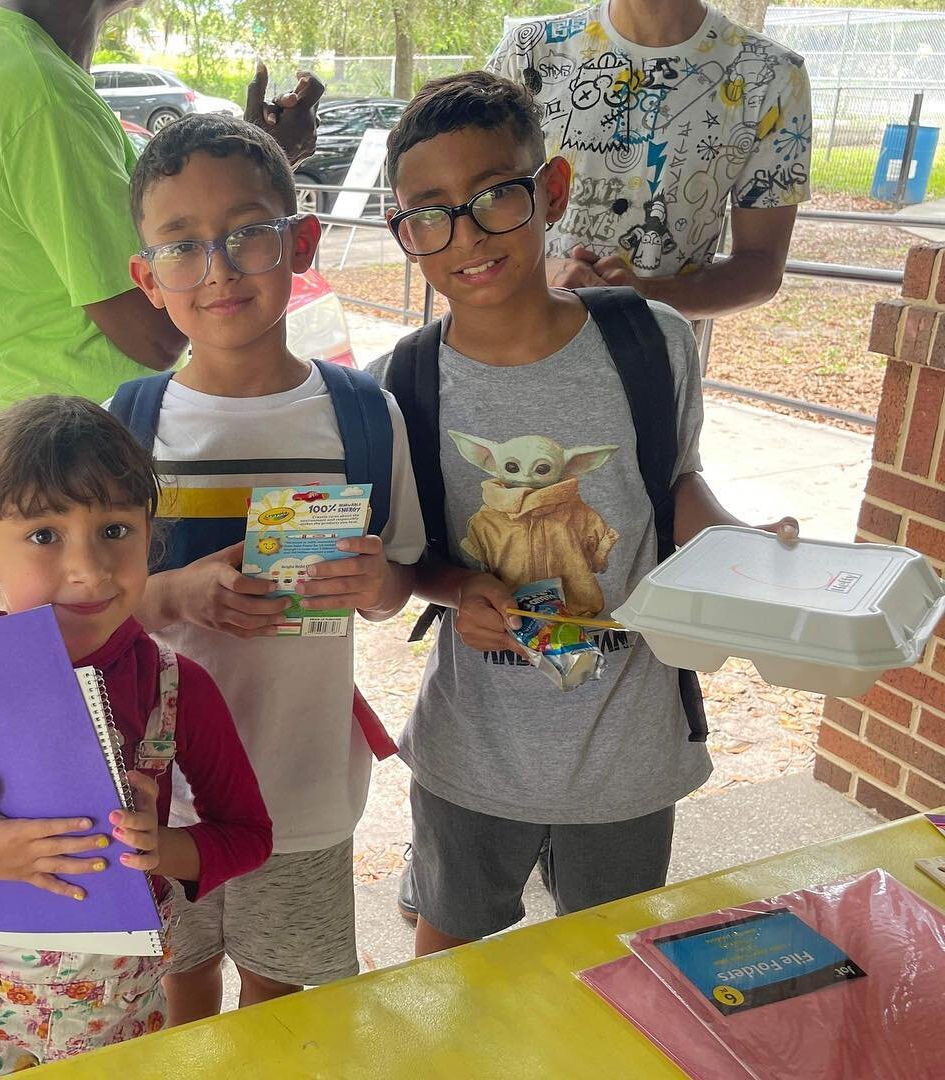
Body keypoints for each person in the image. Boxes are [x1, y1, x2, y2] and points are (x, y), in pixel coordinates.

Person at [372, 72, 797, 957]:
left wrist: (746, 548)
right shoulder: (402, 382)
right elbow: (408, 561)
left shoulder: (650, 340)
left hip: (628, 745)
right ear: (405, 231)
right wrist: (459, 590)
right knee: (451, 958)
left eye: (496, 196)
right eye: (430, 213)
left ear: (551, 190)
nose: (467, 235)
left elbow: (673, 486)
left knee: (610, 960)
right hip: (474, 747)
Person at [0, 396, 272, 1075]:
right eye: (43, 536)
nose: (88, 568)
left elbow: (249, 835)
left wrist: (165, 848)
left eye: (116, 530)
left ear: (150, 537)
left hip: (123, 1027)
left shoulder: (177, 688)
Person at [110, 114, 426, 1021]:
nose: (219, 270)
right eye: (183, 247)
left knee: (280, 1003)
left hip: (302, 786)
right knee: (176, 991)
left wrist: (376, 584)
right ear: (149, 278)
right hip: (158, 800)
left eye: (249, 234)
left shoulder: (365, 417)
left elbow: (396, 583)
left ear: (303, 240)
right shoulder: (125, 426)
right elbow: (78, 608)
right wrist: (173, 591)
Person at [0, 0, 324, 448]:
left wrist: (259, 167)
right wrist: (259, 168)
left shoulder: (8, 55)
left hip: (57, 449)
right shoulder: (41, 93)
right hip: (70, 463)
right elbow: (154, 333)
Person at [488, 0, 811, 320]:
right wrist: (549, 274)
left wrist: (645, 295)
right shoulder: (529, 51)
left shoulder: (770, 75)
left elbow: (761, 267)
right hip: (510, 337)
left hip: (651, 356)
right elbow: (463, 203)